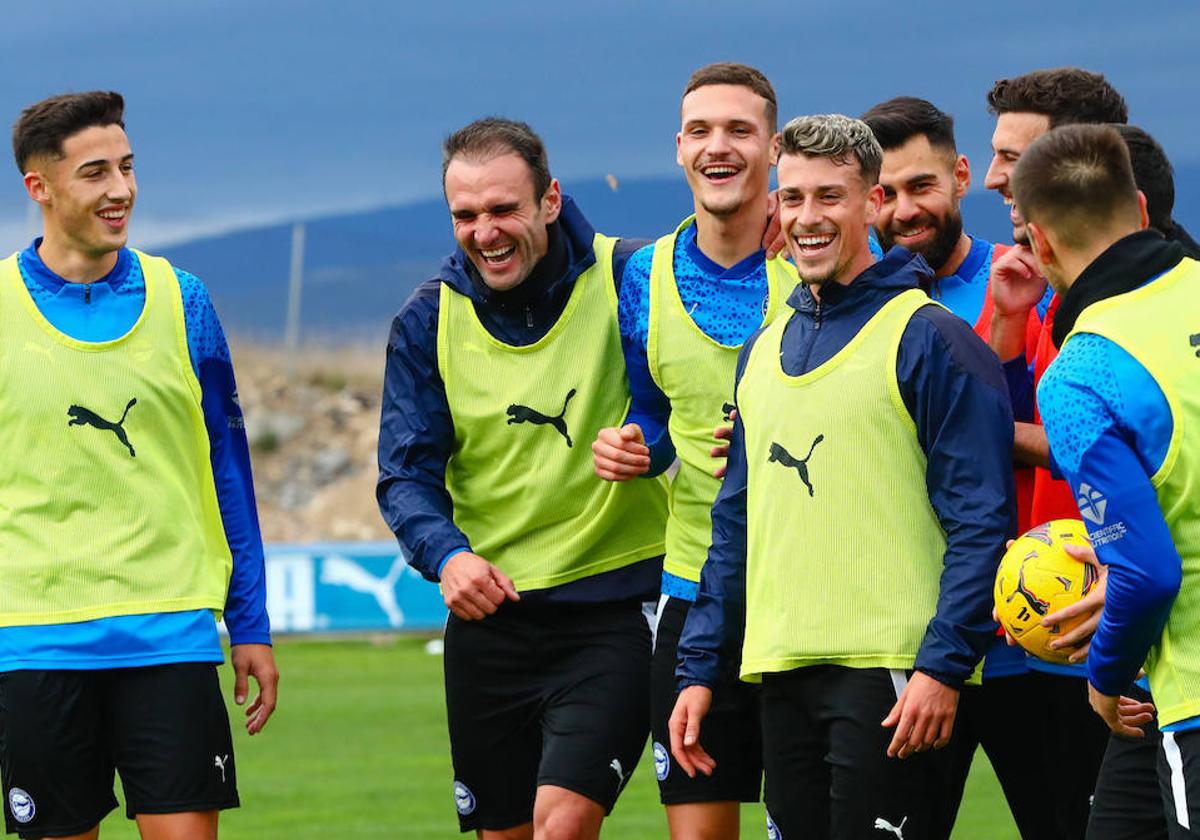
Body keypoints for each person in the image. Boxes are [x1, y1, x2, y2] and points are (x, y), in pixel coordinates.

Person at [670, 114, 1013, 840]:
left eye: (830, 197)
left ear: (873, 205)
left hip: (893, 680)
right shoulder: (760, 353)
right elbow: (733, 530)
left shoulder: (932, 339)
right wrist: (699, 669)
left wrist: (943, 668)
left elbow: (981, 520)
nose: (807, 218)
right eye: (791, 199)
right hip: (781, 670)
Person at [376, 117, 669, 839]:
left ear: (551, 199)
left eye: (503, 209)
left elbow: (681, 395)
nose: (485, 232)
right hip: (490, 623)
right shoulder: (426, 319)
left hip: (615, 608)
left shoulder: (634, 276)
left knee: (561, 825)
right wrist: (448, 555)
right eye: (466, 216)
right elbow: (404, 475)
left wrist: (649, 445)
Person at [0, 92, 277, 840]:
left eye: (127, 167)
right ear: (40, 188)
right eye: (95, 172)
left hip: (170, 635)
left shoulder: (184, 301)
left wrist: (250, 622)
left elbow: (229, 471)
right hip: (35, 640)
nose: (121, 189)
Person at [591, 62, 797, 840]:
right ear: (678, 148)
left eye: (740, 130)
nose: (720, 146)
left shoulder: (819, 258)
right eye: (702, 131)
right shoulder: (643, 275)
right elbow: (653, 404)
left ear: (773, 148)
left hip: (805, 592)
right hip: (690, 588)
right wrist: (636, 445)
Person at [862, 94, 1055, 839]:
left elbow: (1070, 441)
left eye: (922, 186)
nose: (905, 210)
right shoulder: (844, 304)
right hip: (906, 646)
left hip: (1029, 642)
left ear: (963, 177)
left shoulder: (1028, 282)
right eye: (885, 193)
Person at [1012, 123, 1200, 840]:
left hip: (1186, 690)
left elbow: (1147, 572)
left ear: (1040, 242)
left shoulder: (1080, 372)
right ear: (1144, 213)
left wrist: (1102, 680)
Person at [980, 67, 1129, 838]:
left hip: (1127, 618)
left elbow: (1132, 452)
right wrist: (1005, 337)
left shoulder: (1140, 295)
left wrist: (984, 435)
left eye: (1013, 157)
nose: (996, 177)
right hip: (1057, 624)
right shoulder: (1039, 288)